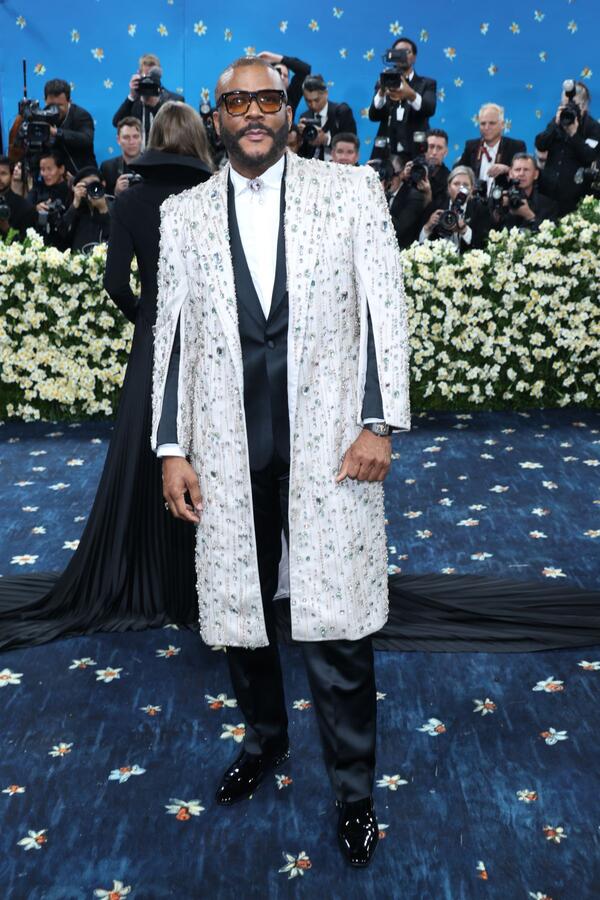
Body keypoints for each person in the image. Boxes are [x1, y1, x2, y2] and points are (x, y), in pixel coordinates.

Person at [152, 56, 409, 868]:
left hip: (330, 448)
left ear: (290, 111)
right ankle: (265, 740)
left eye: (268, 99)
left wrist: (377, 424)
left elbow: (385, 310)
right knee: (244, 617)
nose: (254, 113)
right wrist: (173, 449)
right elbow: (172, 337)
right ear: (217, 116)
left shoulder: (351, 191)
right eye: (238, 102)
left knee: (337, 631)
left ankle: (355, 792)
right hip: (228, 451)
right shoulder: (184, 214)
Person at [0, 103, 213, 648]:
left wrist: (148, 317)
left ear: (154, 138)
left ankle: (140, 573)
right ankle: (205, 581)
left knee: (148, 448)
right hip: (214, 343)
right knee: (209, 451)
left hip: (153, 341)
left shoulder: (132, 199)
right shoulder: (216, 195)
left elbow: (116, 283)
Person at [535, 81, 600, 215]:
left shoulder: (593, 127)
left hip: (576, 197)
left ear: (584, 105)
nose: (568, 108)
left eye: (572, 105)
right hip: (548, 194)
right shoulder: (556, 122)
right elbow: (540, 144)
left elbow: (589, 156)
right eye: (564, 105)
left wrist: (574, 134)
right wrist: (555, 124)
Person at [369, 37, 437, 159]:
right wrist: (381, 92)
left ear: (414, 57)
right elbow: (373, 116)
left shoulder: (427, 83)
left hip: (415, 151)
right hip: (385, 152)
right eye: (398, 52)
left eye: (406, 52)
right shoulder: (384, 80)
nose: (402, 55)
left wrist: (410, 94)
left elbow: (429, 109)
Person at [112, 54, 183, 147]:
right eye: (145, 76)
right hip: (138, 154)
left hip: (163, 153)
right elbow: (117, 123)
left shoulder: (174, 100)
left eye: (152, 77)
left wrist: (156, 105)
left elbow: (177, 131)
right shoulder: (134, 101)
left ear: (159, 75)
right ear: (139, 74)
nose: (149, 80)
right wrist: (132, 97)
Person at [456, 103, 526, 194]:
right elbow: (457, 173)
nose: (486, 127)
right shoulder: (471, 146)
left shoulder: (516, 147)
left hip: (504, 201)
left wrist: (507, 169)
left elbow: (525, 176)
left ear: (502, 125)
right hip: (474, 200)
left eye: (492, 123)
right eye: (483, 123)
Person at [420, 166, 490, 251]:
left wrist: (464, 230)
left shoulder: (480, 211)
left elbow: (483, 245)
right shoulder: (435, 206)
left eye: (465, 185)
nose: (461, 189)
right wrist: (428, 227)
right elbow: (419, 244)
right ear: (449, 187)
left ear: (472, 189)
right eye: (456, 184)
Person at [490, 153, 558, 233]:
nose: (521, 174)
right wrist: (498, 209)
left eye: (526, 170)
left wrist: (529, 216)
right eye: (517, 170)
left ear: (536, 174)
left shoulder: (548, 205)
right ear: (510, 173)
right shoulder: (499, 200)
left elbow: (552, 234)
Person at [297, 74, 357, 161]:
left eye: (317, 100)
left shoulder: (342, 112)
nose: (313, 105)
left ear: (326, 93)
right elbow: (304, 153)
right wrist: (300, 138)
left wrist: (326, 140)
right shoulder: (305, 117)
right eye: (308, 101)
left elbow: (351, 144)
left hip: (339, 165)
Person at [43, 78, 97, 173]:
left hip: (82, 174)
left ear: (69, 102)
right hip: (52, 175)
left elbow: (87, 139)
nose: (55, 110)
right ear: (45, 100)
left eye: (59, 105)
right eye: (51, 105)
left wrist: (56, 132)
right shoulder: (41, 117)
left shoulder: (81, 115)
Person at [58, 167, 112, 252]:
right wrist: (75, 204)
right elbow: (61, 235)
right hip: (78, 258)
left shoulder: (115, 205)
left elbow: (116, 236)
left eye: (94, 184)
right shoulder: (76, 209)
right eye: (85, 185)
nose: (91, 188)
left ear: (103, 184)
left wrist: (103, 209)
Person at [26, 149, 71, 247]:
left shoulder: (70, 192)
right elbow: (25, 209)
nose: (45, 174)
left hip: (64, 244)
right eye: (42, 169)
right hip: (39, 243)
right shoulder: (37, 189)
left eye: (49, 169)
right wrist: (35, 208)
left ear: (61, 169)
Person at [257, 51, 312, 117]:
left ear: (288, 81)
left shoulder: (291, 96)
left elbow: (305, 70)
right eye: (279, 73)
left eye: (285, 75)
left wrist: (274, 57)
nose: (282, 77)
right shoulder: (259, 94)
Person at [100, 117, 143, 196]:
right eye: (126, 137)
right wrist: (116, 192)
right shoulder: (108, 168)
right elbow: (102, 200)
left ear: (142, 138)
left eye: (136, 136)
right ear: (118, 140)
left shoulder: (153, 166)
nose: (131, 142)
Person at [0, 155, 36, 240]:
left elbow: (26, 243)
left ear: (11, 175)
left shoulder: (25, 207)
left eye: (3, 173)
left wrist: (6, 228)